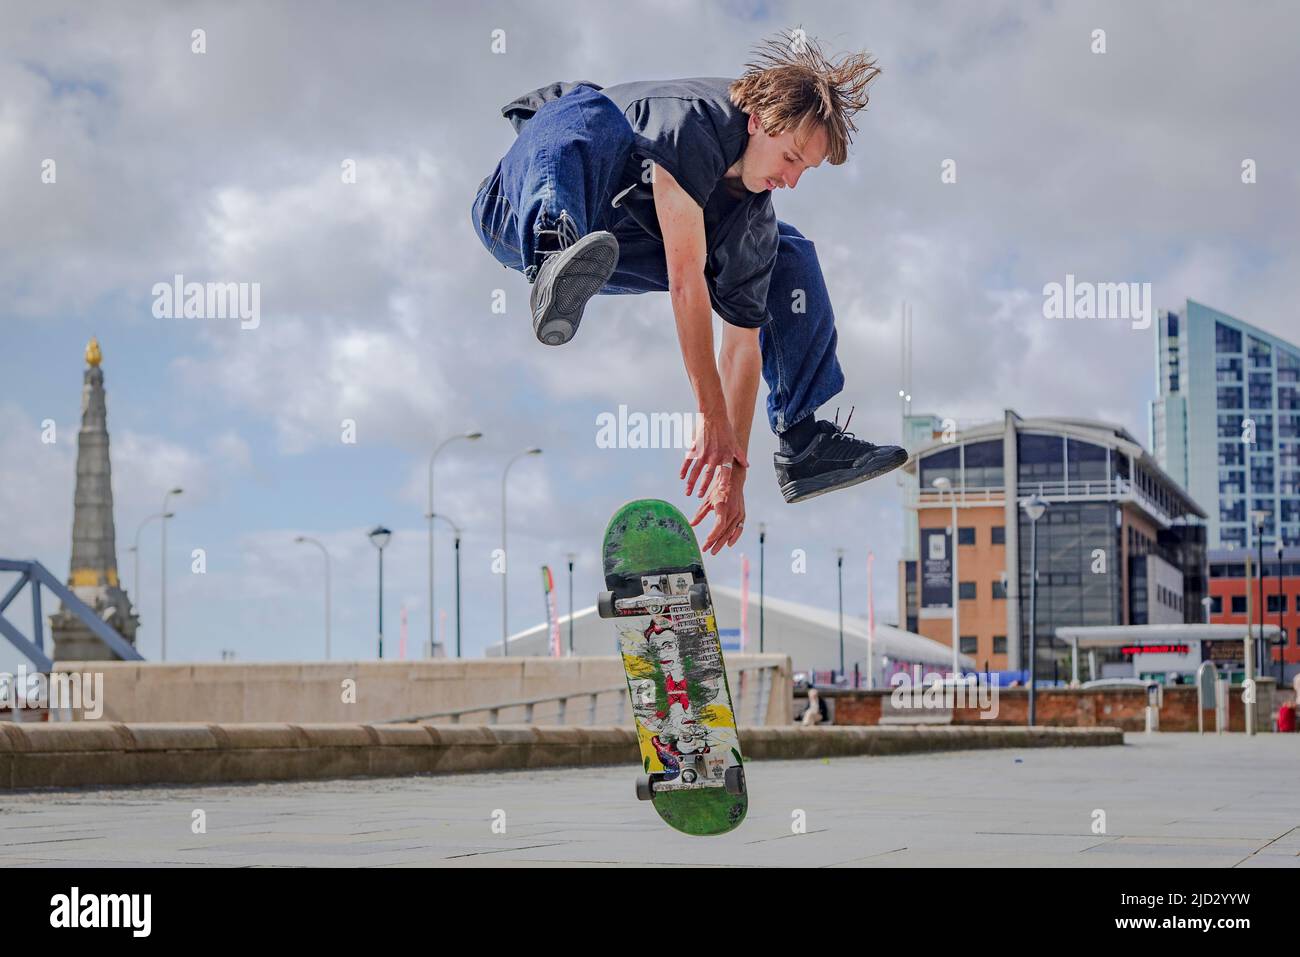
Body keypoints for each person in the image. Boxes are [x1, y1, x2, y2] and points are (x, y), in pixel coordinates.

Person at [471, 34, 907, 554]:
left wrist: (732, 472)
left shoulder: (751, 219)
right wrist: (709, 414)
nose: (790, 180)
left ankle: (803, 441)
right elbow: (685, 282)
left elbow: (741, 346)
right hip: (516, 209)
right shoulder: (692, 122)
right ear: (756, 122)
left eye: (802, 170)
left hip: (609, 248)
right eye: (789, 158)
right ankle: (552, 250)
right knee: (587, 108)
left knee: (786, 253)